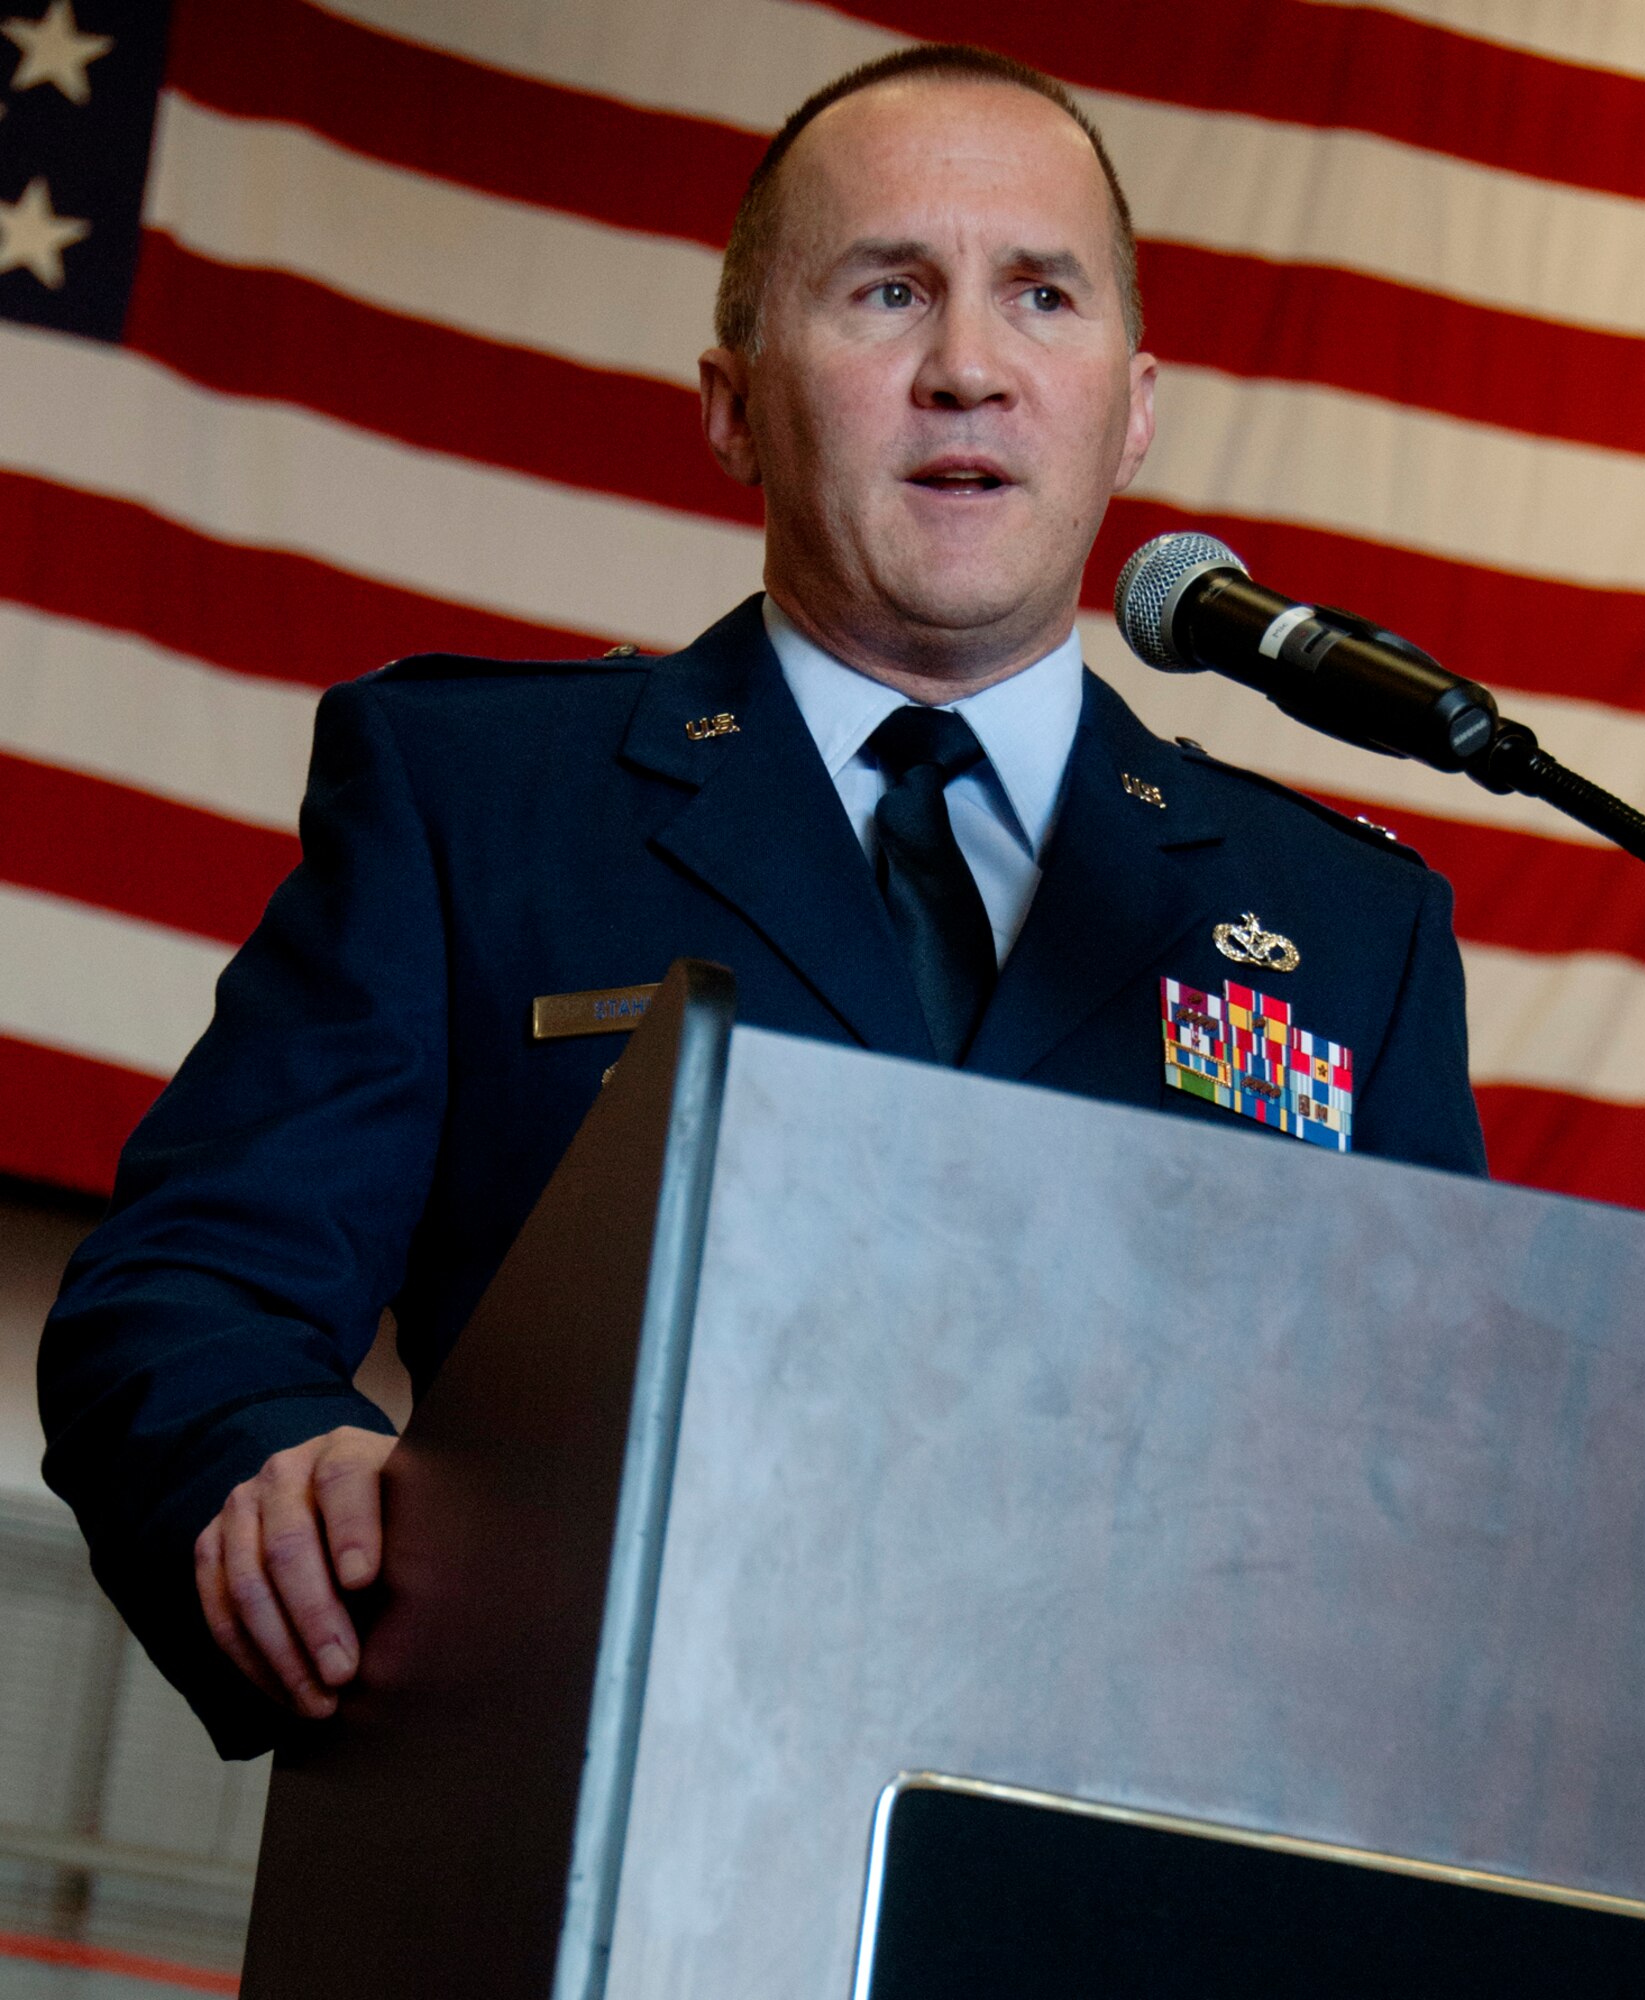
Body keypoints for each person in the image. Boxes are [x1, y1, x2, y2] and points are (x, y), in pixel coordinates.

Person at [40, 44, 1486, 1757]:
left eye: (1041, 295)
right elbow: (185, 1295)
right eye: (887, 292)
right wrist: (268, 1469)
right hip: (585, 1800)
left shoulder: (1347, 931)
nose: (968, 369)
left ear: (1134, 403)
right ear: (731, 404)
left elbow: (1443, 1493)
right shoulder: (478, 801)